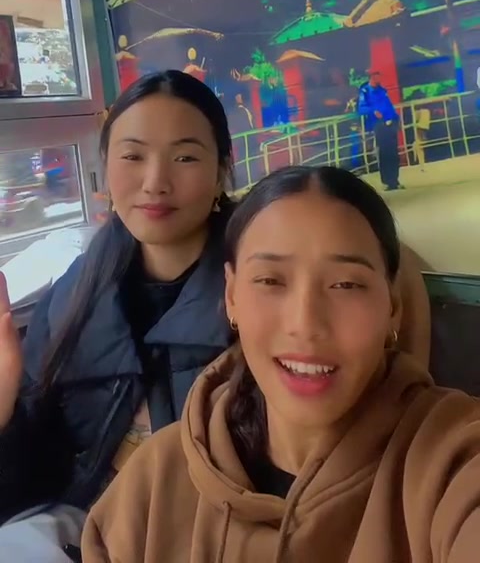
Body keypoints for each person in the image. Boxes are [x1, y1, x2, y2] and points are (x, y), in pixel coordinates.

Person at [80, 164, 471, 563]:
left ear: (393, 307)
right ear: (231, 296)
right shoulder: (153, 482)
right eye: (270, 281)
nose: (305, 324)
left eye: (346, 284)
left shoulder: (453, 460)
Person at [0, 70, 235, 562]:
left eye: (185, 157)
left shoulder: (260, 292)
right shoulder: (75, 295)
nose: (155, 183)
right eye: (132, 156)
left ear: (220, 173)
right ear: (104, 168)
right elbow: (33, 477)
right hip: (89, 528)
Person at [357, 70, 402, 191]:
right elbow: (361, 108)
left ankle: (395, 180)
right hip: (379, 124)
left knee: (393, 153)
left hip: (390, 123)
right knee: (384, 153)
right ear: (371, 77)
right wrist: (373, 111)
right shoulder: (365, 91)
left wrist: (396, 118)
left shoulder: (382, 90)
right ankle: (387, 181)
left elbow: (389, 106)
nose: (379, 78)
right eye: (376, 76)